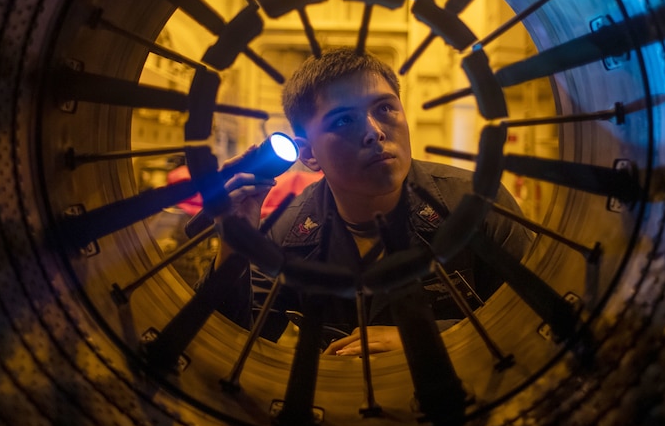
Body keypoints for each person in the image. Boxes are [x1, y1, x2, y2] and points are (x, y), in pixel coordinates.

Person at [200, 47, 533, 355]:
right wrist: (234, 243)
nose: (374, 131)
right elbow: (231, 347)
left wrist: (427, 339)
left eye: (385, 108)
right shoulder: (288, 237)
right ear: (309, 154)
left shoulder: (475, 205)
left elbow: (537, 320)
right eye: (344, 120)